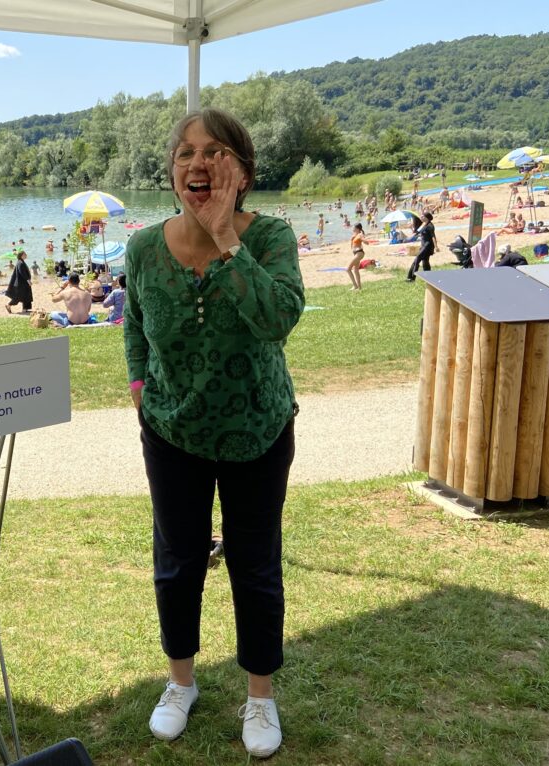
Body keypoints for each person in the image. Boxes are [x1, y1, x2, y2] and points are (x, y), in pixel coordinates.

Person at [124, 108, 302, 758]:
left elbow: (276, 319)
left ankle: (260, 697)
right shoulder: (144, 247)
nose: (197, 163)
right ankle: (181, 683)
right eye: (185, 153)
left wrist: (226, 236)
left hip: (259, 430)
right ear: (172, 171)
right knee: (178, 562)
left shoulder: (272, 237)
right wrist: (141, 389)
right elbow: (136, 326)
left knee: (255, 566)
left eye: (215, 152)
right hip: (172, 435)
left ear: (243, 170)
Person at [406, 212, 437, 282]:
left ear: (427, 217)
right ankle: (429, 278)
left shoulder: (430, 226)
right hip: (423, 245)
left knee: (417, 260)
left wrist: (436, 246)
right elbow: (417, 233)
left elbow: (433, 236)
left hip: (427, 246)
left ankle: (411, 278)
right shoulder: (424, 225)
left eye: (422, 216)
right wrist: (411, 228)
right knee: (425, 261)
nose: (421, 217)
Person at [346, 222, 366, 291]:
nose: (352, 228)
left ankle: (355, 286)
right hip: (356, 253)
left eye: (353, 227)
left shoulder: (360, 234)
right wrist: (352, 239)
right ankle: (359, 288)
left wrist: (364, 240)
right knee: (355, 270)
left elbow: (364, 240)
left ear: (357, 229)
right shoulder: (355, 235)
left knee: (348, 269)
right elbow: (352, 246)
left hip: (359, 253)